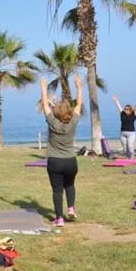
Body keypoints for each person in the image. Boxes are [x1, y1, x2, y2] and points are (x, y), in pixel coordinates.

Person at [41, 74, 83, 227]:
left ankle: (59, 219)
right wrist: (79, 87)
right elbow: (78, 105)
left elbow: (45, 106)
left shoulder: (52, 122)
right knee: (70, 185)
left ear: (56, 112)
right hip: (71, 161)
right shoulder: (73, 122)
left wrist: (44, 88)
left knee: (57, 190)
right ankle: (71, 208)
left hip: (55, 162)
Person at [112, 94, 136, 159]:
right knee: (125, 149)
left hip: (131, 134)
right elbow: (118, 107)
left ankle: (132, 158)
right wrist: (116, 100)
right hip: (122, 134)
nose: (126, 110)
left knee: (130, 146)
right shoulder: (122, 114)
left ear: (130, 110)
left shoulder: (133, 114)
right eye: (125, 109)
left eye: (128, 109)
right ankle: (127, 158)